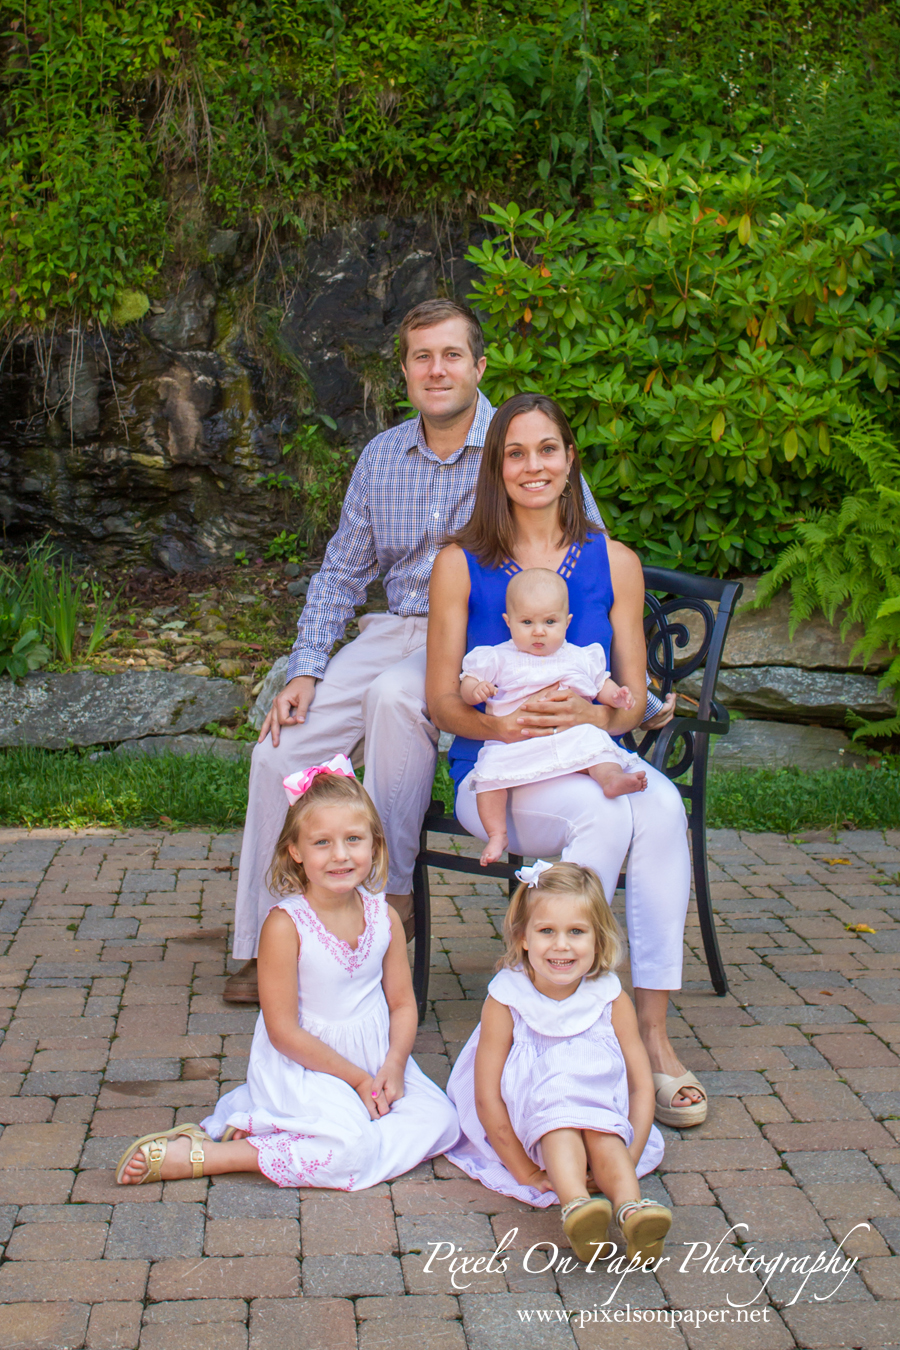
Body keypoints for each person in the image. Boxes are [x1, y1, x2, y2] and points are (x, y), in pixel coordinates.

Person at [225, 297, 623, 1004]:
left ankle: (384, 911)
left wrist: (586, 678)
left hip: (484, 640)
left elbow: (582, 560)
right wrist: (306, 666)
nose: (436, 370)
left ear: (479, 365)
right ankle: (272, 944)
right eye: (421, 357)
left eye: (451, 355)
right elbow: (343, 570)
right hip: (388, 632)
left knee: (397, 698)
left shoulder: (520, 444)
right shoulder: (382, 456)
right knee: (279, 750)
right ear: (405, 371)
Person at [426, 391, 708, 1128]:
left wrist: (591, 711)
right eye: (515, 452)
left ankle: (649, 1034)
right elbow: (441, 705)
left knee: (663, 806)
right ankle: (566, 1030)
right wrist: (507, 722)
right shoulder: (460, 564)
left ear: (569, 458)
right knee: (600, 814)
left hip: (588, 754)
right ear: (495, 466)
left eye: (547, 449)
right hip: (494, 774)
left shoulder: (615, 561)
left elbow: (632, 696)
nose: (533, 466)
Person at [116, 758, 459, 1187]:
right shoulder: (286, 925)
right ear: (295, 851)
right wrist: (356, 1080)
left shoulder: (383, 916)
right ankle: (215, 1154)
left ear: (374, 845)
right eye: (322, 843)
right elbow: (282, 1032)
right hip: (306, 1064)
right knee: (348, 1150)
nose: (340, 855)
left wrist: (393, 1063)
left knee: (443, 1121)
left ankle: (291, 1129)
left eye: (353, 839)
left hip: (376, 1056)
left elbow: (403, 1003)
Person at [446, 861, 672, 1264]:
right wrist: (525, 1172)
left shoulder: (609, 997)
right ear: (523, 937)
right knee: (561, 1129)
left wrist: (631, 1153)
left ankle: (631, 1211)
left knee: (605, 1137)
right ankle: (579, 1209)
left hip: (601, 1114)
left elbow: (640, 1085)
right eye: (546, 931)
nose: (561, 945)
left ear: (599, 941)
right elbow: (486, 1097)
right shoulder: (507, 998)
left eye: (576, 932)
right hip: (535, 1120)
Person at [461, 567, 647, 865]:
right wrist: (476, 690)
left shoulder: (578, 656)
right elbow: (466, 683)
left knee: (594, 740)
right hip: (516, 743)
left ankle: (610, 778)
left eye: (550, 621)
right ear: (508, 623)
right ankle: (497, 833)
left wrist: (617, 696)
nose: (539, 631)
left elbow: (601, 685)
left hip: (569, 736)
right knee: (490, 775)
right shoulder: (497, 656)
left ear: (566, 622)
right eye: (527, 622)